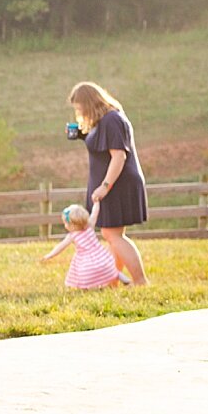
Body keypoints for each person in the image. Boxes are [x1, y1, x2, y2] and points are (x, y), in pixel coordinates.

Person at [68, 81, 148, 286]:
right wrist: (82, 134)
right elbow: (101, 145)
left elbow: (118, 156)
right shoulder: (103, 121)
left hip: (118, 182)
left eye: (79, 107)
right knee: (113, 234)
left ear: (89, 103)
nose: (78, 111)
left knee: (112, 234)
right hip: (113, 182)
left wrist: (105, 186)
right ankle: (112, 282)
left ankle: (140, 282)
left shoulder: (112, 119)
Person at [40, 202, 123, 289]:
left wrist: (50, 255)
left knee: (84, 274)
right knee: (108, 267)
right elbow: (95, 213)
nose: (65, 225)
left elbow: (61, 247)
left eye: (65, 223)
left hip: (86, 260)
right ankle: (118, 275)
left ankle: (86, 287)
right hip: (100, 255)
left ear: (71, 225)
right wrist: (96, 203)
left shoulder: (72, 236)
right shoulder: (90, 226)